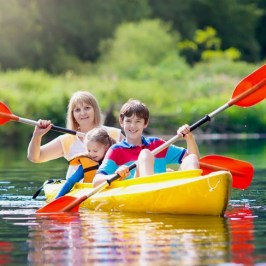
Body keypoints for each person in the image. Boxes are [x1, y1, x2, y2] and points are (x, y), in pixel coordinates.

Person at [93, 99, 200, 187]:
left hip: (164, 192)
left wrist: (189, 138)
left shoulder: (157, 144)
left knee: (191, 158)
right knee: (145, 154)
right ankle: (150, 189)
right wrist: (116, 175)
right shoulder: (116, 150)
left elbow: (193, 158)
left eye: (138, 121)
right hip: (138, 192)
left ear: (145, 123)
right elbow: (96, 181)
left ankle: (193, 190)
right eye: (128, 121)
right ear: (121, 122)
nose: (133, 126)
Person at [27, 91, 122, 178]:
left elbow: (135, 154)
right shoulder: (67, 140)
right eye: (77, 110)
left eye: (87, 108)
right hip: (78, 189)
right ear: (73, 115)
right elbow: (35, 157)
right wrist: (37, 136)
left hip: (110, 185)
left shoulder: (114, 134)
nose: (83, 113)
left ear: (95, 110)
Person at [55, 127, 116, 198]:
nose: (92, 154)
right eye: (89, 150)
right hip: (92, 194)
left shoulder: (114, 159)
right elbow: (71, 181)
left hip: (113, 190)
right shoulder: (87, 164)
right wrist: (57, 198)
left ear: (106, 146)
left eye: (95, 151)